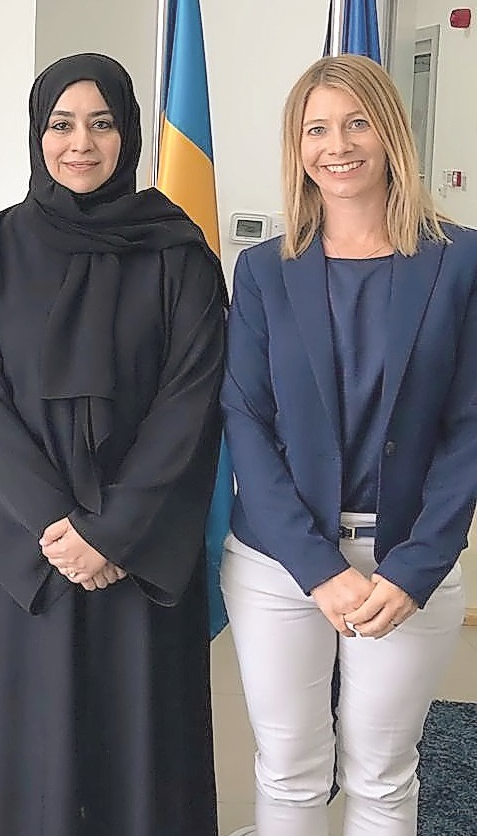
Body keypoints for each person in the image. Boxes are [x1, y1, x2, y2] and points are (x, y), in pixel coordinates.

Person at [0, 53, 225, 836]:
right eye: (62, 124)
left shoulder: (179, 253)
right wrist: (57, 533)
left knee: (137, 755)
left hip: (137, 552)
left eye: (102, 124)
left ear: (127, 133)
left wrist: (113, 533)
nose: (81, 144)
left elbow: (191, 405)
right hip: (20, 553)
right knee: (16, 754)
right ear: (38, 133)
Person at [221, 53, 475, 836]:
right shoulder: (264, 271)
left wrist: (417, 566)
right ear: (297, 147)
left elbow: (470, 428)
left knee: (382, 776)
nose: (338, 144)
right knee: (292, 775)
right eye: (317, 128)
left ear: (390, 131)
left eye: (357, 121)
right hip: (279, 563)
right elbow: (246, 421)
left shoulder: (460, 259)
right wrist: (316, 569)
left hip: (408, 559)